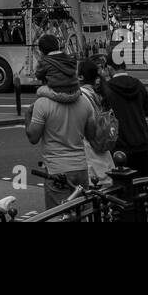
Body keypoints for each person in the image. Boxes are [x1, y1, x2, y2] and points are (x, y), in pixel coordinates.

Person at [24, 53, 98, 209]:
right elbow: (92, 135)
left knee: (59, 215)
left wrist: (27, 116)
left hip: (56, 170)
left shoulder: (42, 104)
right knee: (82, 214)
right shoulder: (84, 101)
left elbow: (33, 137)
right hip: (81, 168)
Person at [100, 55, 148, 177]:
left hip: (120, 143)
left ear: (109, 68)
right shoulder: (138, 85)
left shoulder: (107, 88)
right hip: (141, 140)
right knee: (143, 183)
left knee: (122, 184)